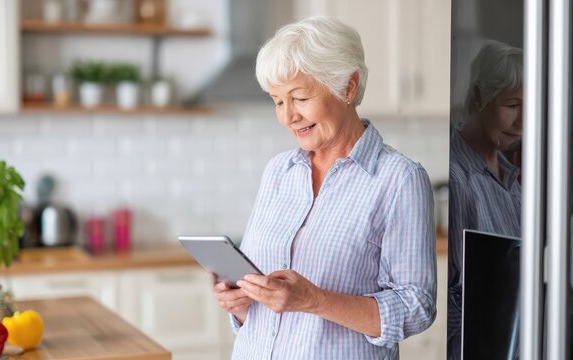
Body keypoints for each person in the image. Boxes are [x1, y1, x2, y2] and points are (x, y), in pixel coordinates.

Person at [213, 16, 437, 359]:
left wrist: (314, 300)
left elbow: (416, 307)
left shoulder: (398, 179)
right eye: (277, 101)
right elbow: (268, 305)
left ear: (347, 87)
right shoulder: (279, 172)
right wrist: (242, 304)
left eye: (299, 97)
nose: (288, 117)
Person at [447, 40, 523, 359]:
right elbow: (448, 301)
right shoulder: (457, 179)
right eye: (513, 105)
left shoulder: (512, 178)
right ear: (479, 97)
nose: (523, 122)